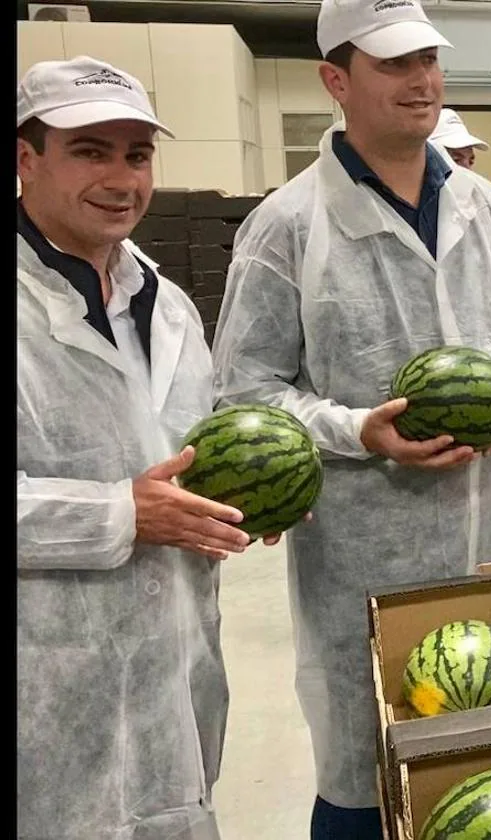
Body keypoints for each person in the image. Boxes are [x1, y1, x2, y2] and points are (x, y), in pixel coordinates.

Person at [209, 0, 491, 836]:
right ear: (336, 79)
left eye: (429, 59)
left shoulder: (487, 205)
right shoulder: (286, 227)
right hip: (364, 563)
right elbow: (244, 396)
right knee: (367, 774)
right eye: (395, 63)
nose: (423, 79)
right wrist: (356, 429)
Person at [17, 56, 249, 838]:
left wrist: (235, 498)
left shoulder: (169, 303)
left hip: (175, 670)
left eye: (138, 154)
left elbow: (188, 446)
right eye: (90, 151)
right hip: (45, 687)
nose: (122, 178)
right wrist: (118, 514)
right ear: (25, 158)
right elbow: (133, 502)